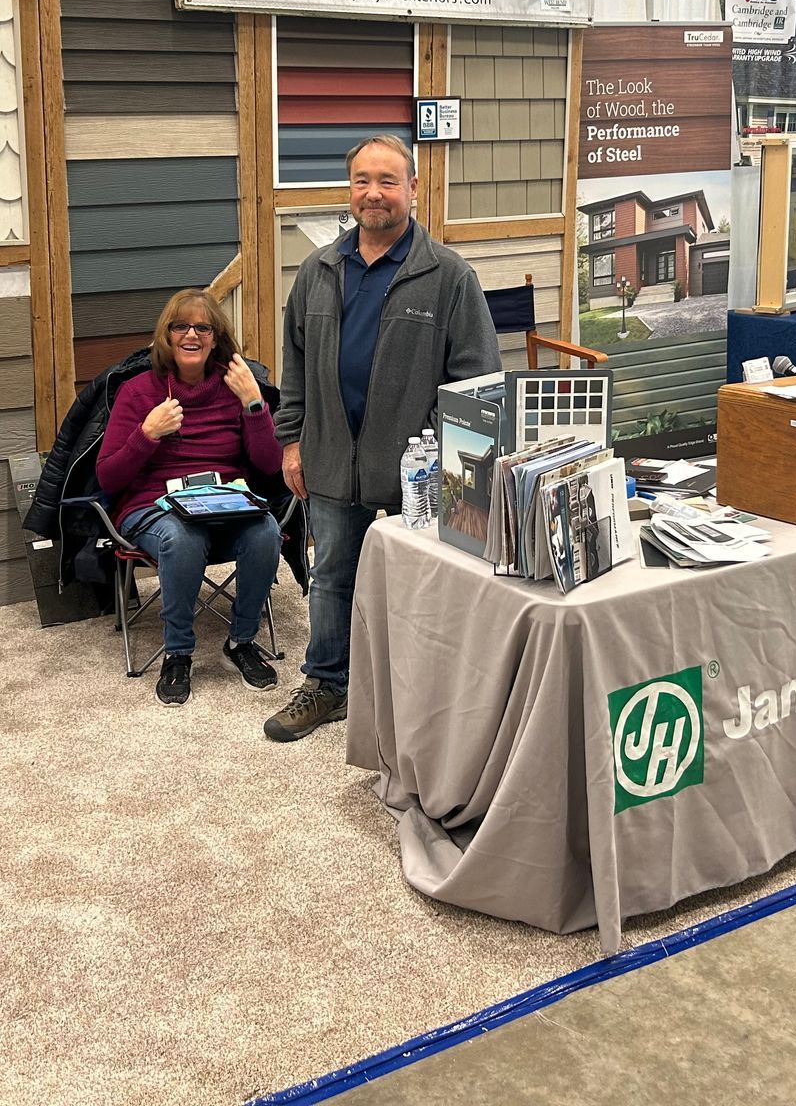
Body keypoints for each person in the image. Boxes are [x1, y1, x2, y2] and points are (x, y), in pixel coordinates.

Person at [265, 134, 500, 743]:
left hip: (416, 473)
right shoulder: (317, 272)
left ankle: (419, 693)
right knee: (332, 574)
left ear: (413, 189)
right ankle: (326, 683)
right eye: (363, 181)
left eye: (388, 181)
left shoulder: (448, 277)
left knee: (420, 583)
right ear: (351, 191)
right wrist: (291, 441)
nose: (374, 193)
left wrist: (454, 473)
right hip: (330, 461)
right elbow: (294, 365)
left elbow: (477, 384)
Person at [96, 290, 283, 707]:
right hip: (152, 507)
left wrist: (254, 404)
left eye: (203, 327)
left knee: (265, 531)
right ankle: (178, 652)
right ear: (166, 336)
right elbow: (108, 477)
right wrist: (147, 434)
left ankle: (241, 641)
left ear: (217, 338)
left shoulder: (236, 386)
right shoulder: (138, 391)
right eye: (180, 326)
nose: (191, 335)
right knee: (183, 538)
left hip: (224, 504)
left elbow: (270, 465)